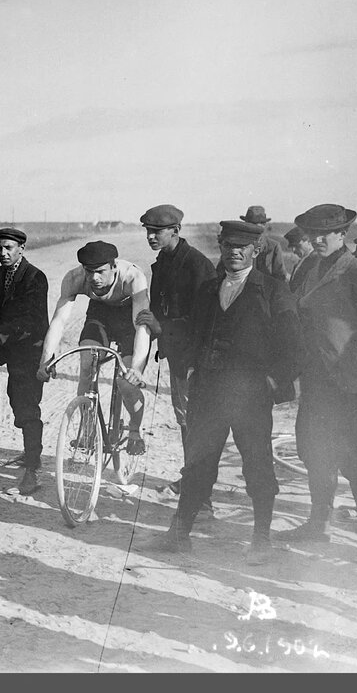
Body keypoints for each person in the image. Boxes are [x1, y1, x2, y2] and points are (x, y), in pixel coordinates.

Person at [148, 219, 300, 564]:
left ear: (256, 251)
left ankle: (261, 540)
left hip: (251, 395)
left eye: (241, 248)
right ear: (221, 249)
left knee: (257, 465)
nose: (233, 253)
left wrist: (274, 382)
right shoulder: (209, 289)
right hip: (209, 392)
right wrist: (186, 363)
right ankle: (179, 534)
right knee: (198, 462)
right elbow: (192, 332)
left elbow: (293, 344)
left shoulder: (274, 291)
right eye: (227, 247)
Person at [278, 204, 357, 561]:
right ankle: (318, 524)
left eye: (326, 234)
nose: (318, 240)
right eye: (313, 234)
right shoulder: (310, 266)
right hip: (316, 382)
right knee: (313, 451)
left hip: (352, 384)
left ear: (344, 235)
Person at [37, 241, 151, 455]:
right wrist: (46, 358)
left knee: (126, 383)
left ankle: (135, 431)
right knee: (87, 364)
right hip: (100, 313)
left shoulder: (133, 277)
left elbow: (141, 326)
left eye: (100, 271)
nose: (94, 278)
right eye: (89, 272)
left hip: (130, 318)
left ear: (113, 266)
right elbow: (59, 321)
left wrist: (136, 368)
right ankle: (88, 432)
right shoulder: (74, 278)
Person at [135, 205, 216, 497]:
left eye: (157, 232)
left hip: (196, 357)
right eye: (148, 231)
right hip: (178, 354)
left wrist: (161, 325)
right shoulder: (164, 262)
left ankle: (198, 486)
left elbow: (204, 319)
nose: (151, 237)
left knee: (195, 419)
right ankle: (193, 478)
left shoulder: (197, 266)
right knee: (185, 418)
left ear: (176, 231)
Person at [0, 228, 49, 496]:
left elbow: (33, 321)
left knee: (27, 406)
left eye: (8, 248)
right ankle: (32, 455)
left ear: (22, 248)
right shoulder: (2, 273)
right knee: (17, 400)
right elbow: (3, 309)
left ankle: (33, 472)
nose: (3, 253)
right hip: (15, 351)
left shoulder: (34, 278)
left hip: (31, 349)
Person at [238, 206, 288, 282]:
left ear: (264, 225)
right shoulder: (236, 244)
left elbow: (280, 275)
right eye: (249, 224)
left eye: (255, 225)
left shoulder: (273, 246)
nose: (251, 229)